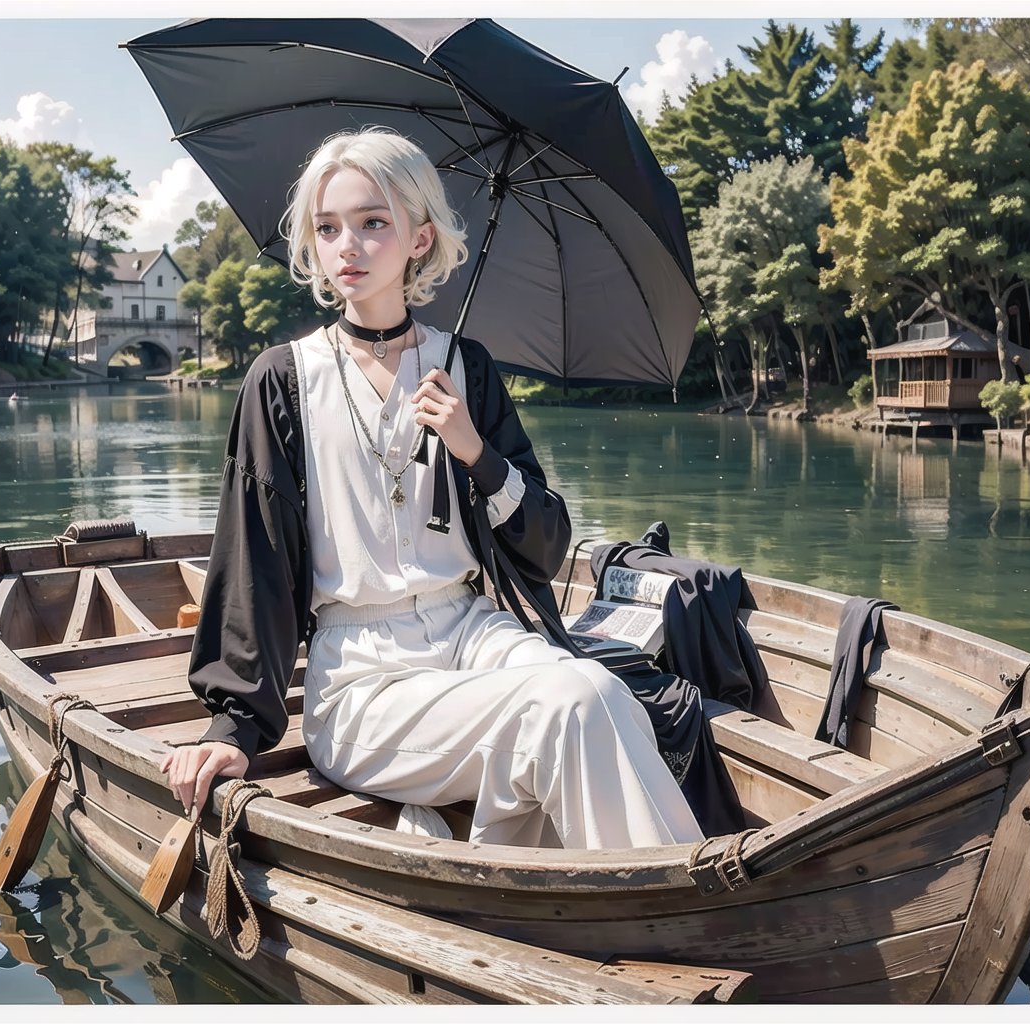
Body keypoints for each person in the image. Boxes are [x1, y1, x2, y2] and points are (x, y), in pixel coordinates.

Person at [161, 128, 702, 850]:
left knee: (599, 692)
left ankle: (608, 894)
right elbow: (252, 563)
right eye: (328, 228)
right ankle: (670, 904)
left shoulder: (465, 369)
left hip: (475, 630)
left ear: (420, 238)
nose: (347, 245)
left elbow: (544, 547)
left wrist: (474, 450)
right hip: (361, 675)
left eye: (372, 222)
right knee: (568, 706)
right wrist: (234, 726)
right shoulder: (283, 378)